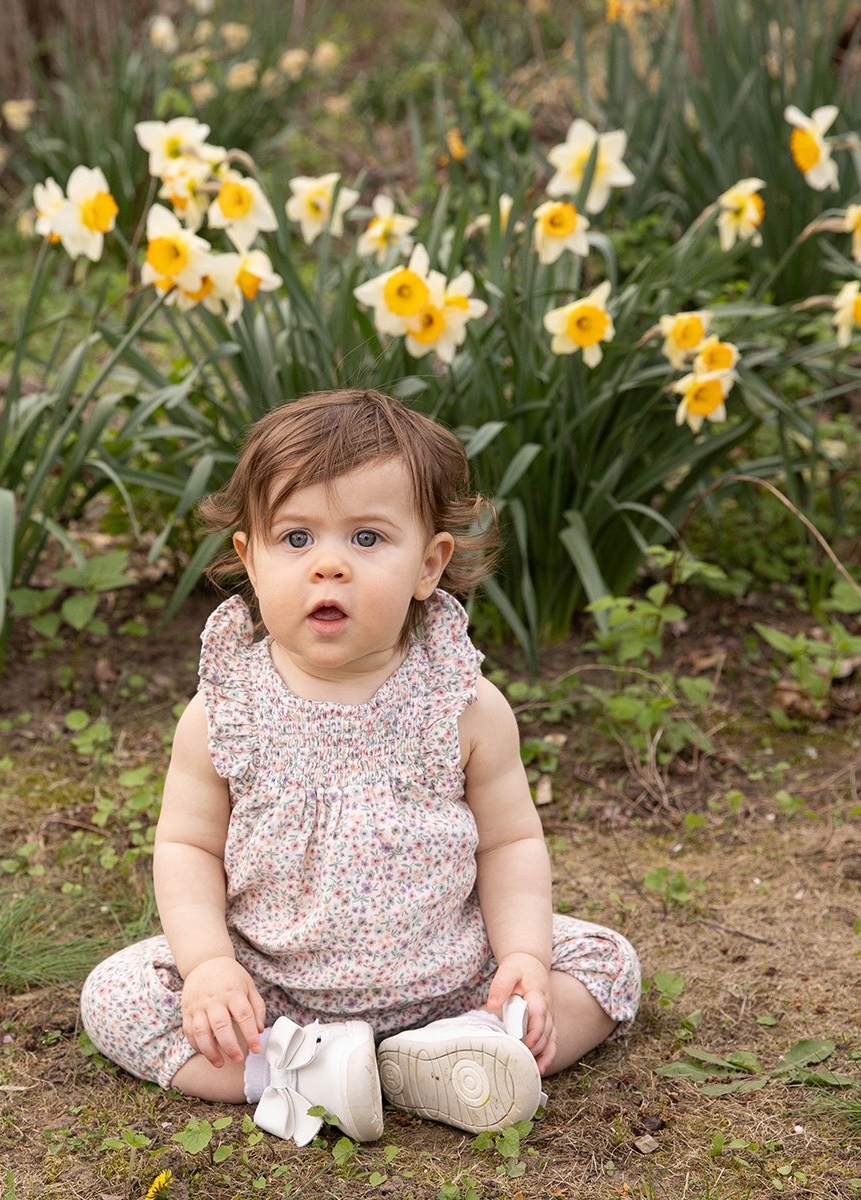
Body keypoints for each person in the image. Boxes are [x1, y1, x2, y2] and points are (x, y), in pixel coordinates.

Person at [79, 390, 640, 1145]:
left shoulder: (463, 704)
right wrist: (211, 965)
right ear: (249, 557)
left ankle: (471, 1044)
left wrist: (524, 960)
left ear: (428, 565)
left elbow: (509, 843)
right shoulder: (223, 710)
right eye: (297, 538)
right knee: (116, 995)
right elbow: (187, 847)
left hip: (449, 975)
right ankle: (299, 1073)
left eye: (368, 538)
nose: (330, 566)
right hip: (273, 993)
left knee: (606, 964)